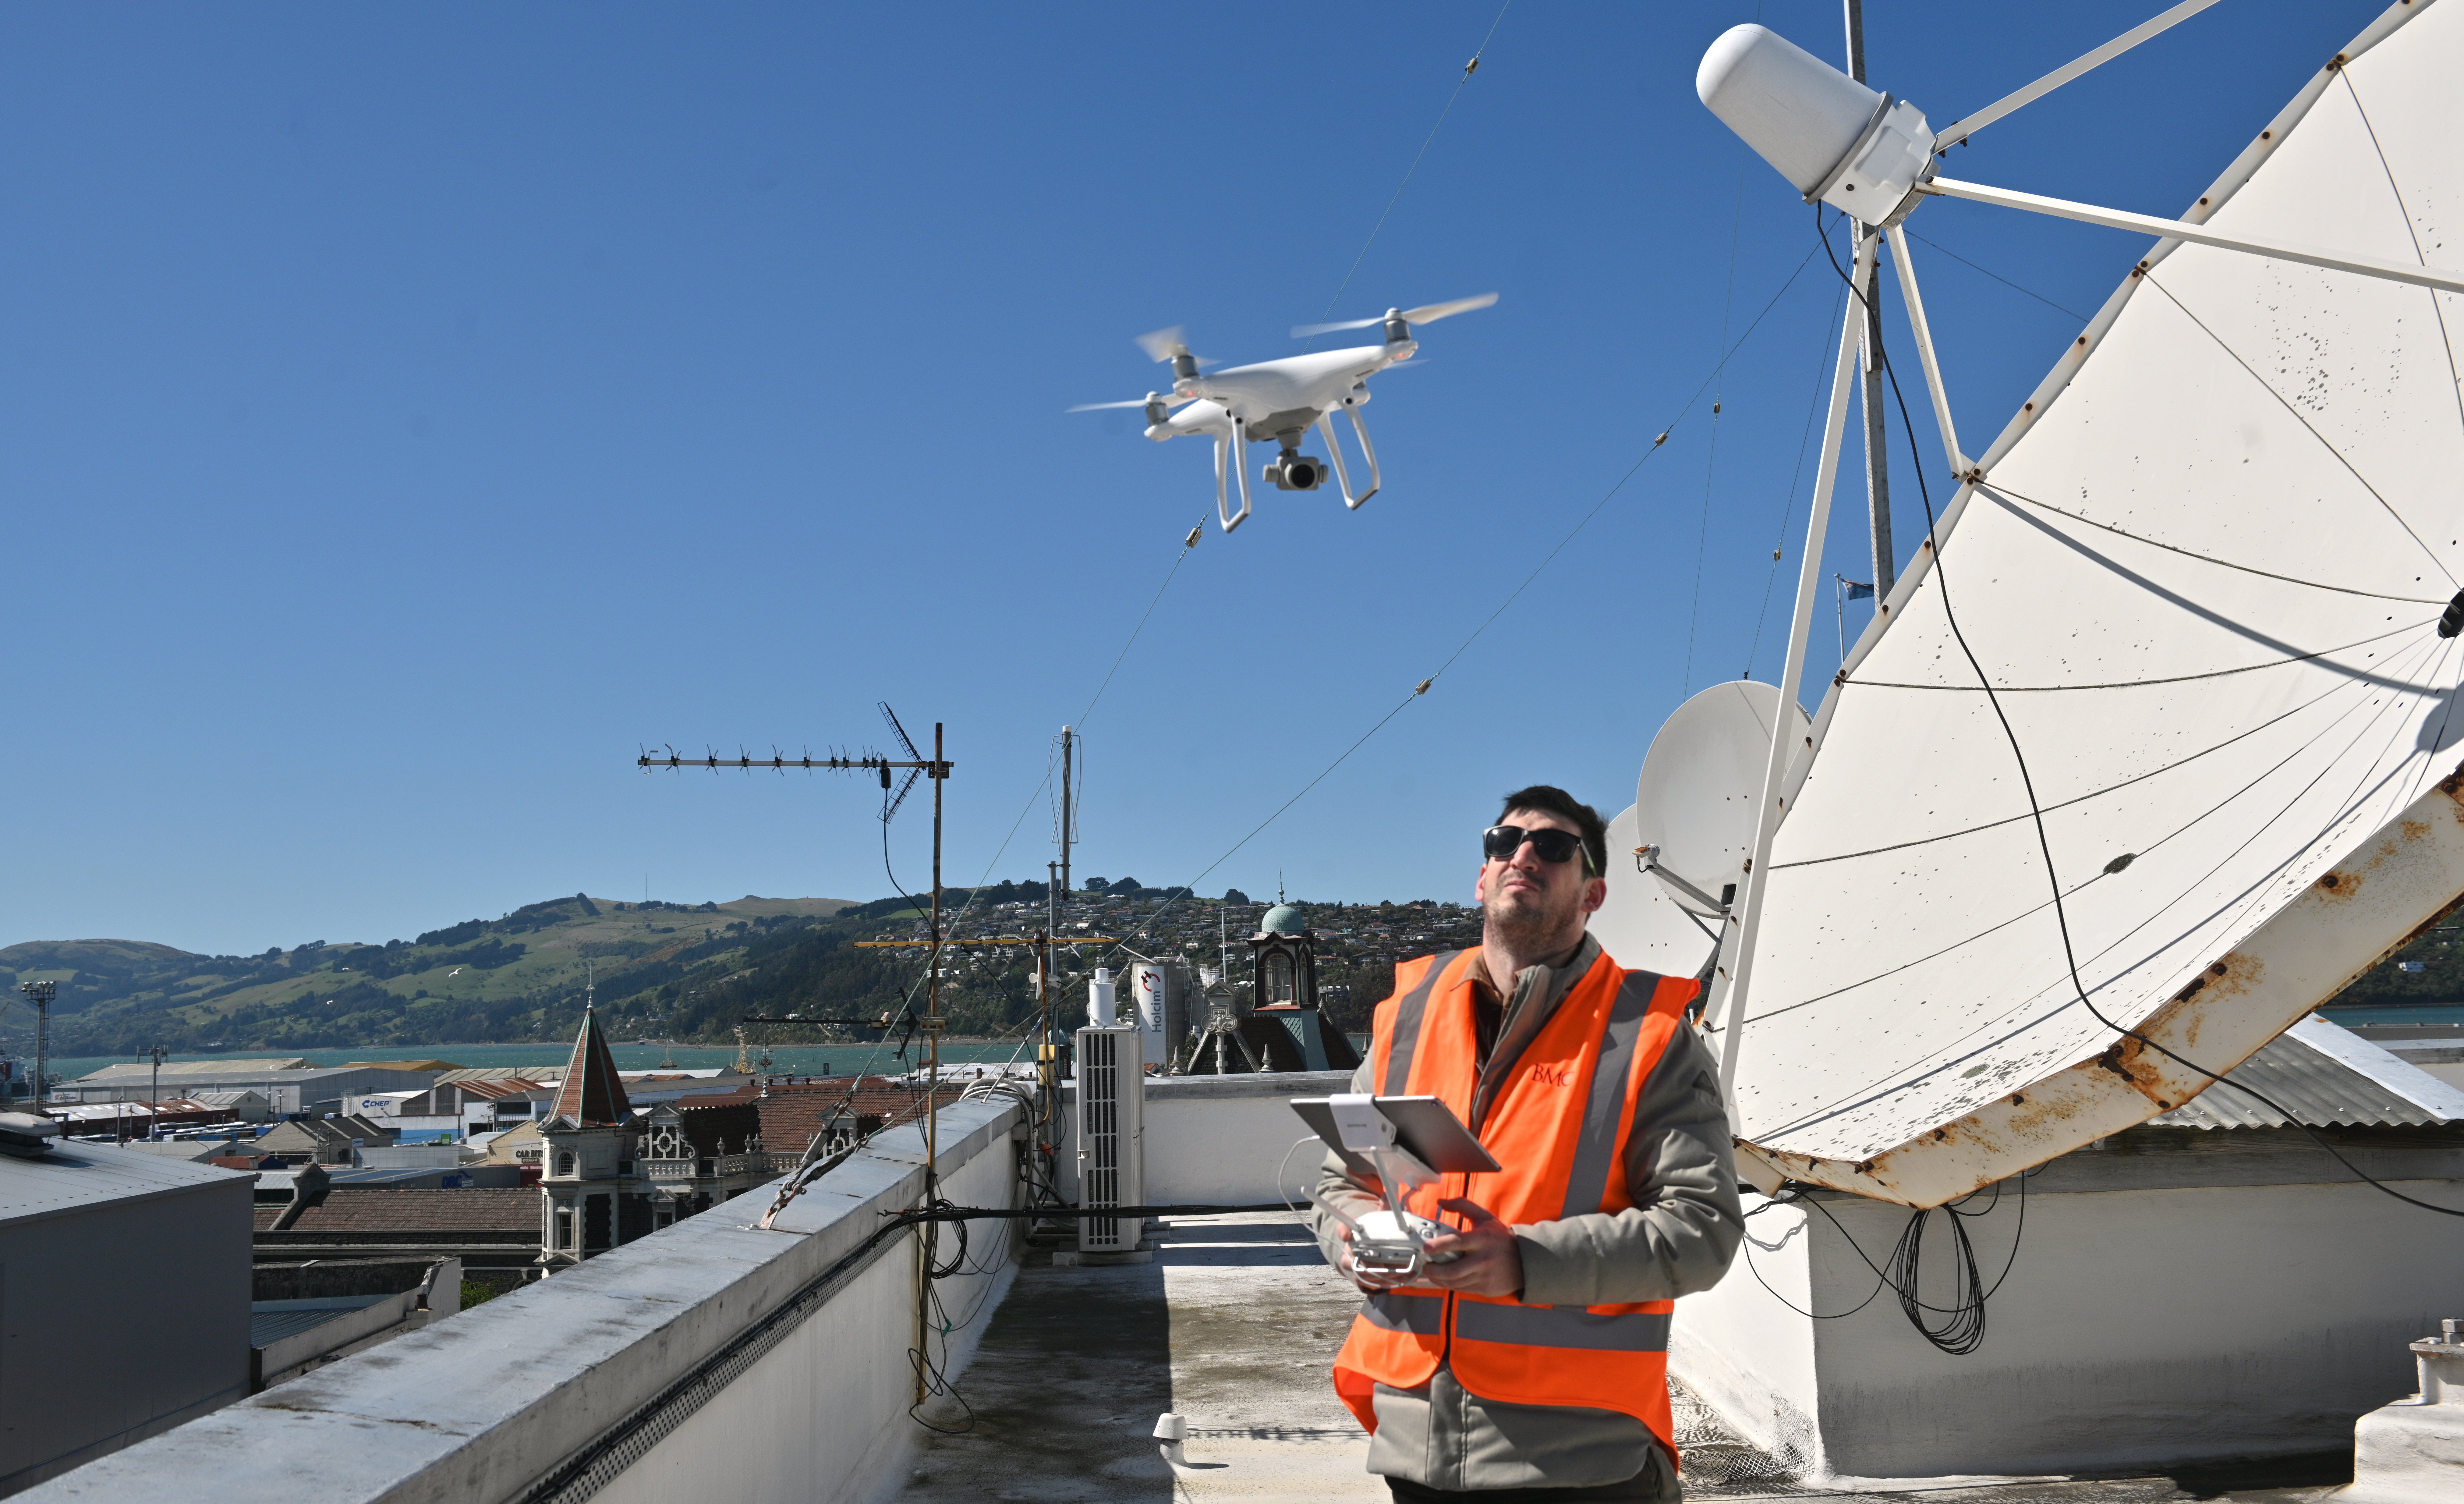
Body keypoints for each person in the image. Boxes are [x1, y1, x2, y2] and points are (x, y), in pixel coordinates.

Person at [1309, 786, 1742, 1501]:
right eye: (1503, 842)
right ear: (1482, 876)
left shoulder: (1649, 1035)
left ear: (1593, 893)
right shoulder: (1407, 1016)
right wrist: (1355, 1239)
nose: (1523, 855)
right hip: (1416, 1446)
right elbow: (1341, 1180)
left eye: (1553, 846)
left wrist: (1522, 1260)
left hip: (1579, 1459)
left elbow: (1703, 1229)